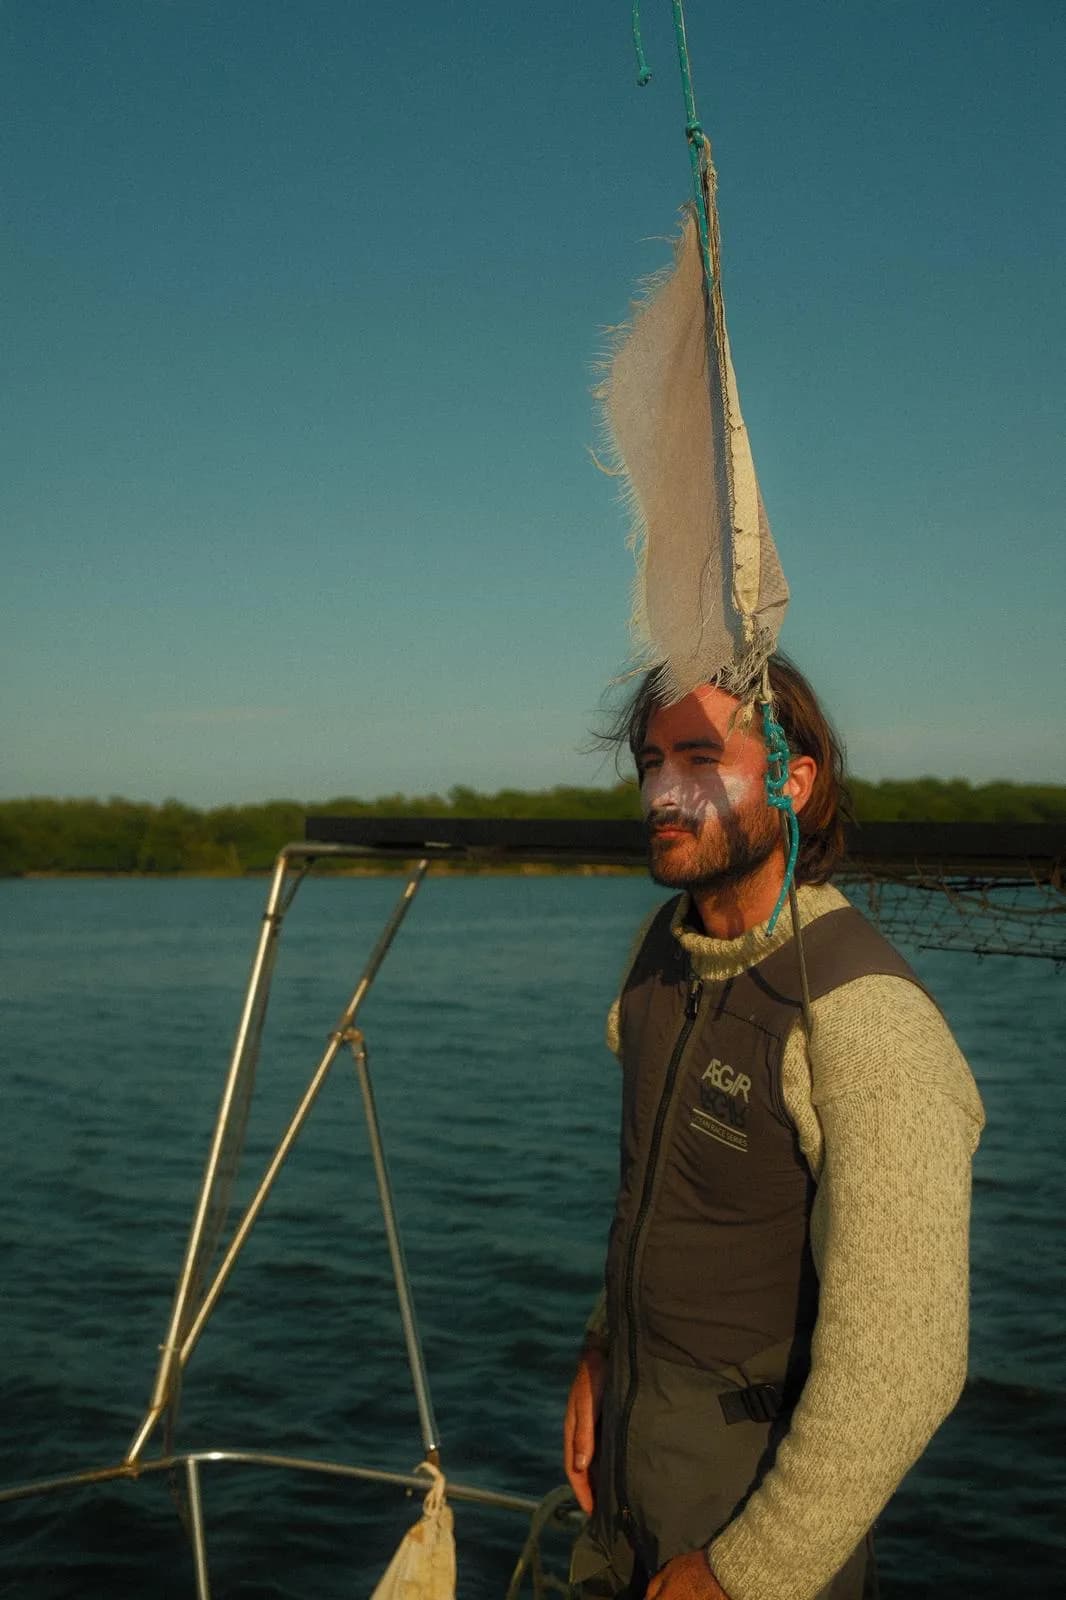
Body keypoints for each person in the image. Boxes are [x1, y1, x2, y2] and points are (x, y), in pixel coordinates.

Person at [563, 655, 985, 1600]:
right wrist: (602, 1348)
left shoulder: (865, 1020)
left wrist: (742, 1574)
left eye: (702, 759)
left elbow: (906, 1367)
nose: (664, 792)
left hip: (751, 1509)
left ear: (795, 782)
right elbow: (655, 1191)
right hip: (631, 1477)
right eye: (650, 762)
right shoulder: (660, 956)